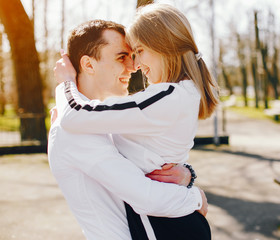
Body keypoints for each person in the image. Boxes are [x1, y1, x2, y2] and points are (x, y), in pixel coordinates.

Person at [55, 4, 219, 240]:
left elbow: (75, 116)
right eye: (127, 56)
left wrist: (66, 84)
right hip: (168, 222)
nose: (136, 65)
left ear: (163, 46)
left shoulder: (168, 96)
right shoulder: (177, 95)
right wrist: (189, 178)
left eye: (139, 51)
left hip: (167, 226)